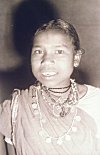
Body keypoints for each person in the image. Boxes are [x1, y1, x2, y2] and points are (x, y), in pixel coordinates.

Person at [0, 19, 100, 155]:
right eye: (38, 51)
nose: (46, 60)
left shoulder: (96, 101)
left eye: (59, 51)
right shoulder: (16, 108)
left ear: (76, 58)